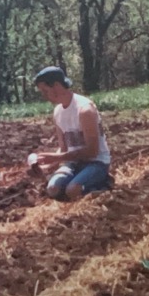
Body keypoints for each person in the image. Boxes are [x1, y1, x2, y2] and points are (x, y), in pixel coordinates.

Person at [30, 66, 113, 201]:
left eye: (45, 91)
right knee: (53, 189)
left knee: (72, 190)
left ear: (56, 86)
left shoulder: (84, 110)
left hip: (96, 162)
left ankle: (104, 183)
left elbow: (92, 151)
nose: (44, 96)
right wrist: (45, 166)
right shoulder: (58, 112)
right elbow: (64, 148)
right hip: (74, 163)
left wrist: (56, 158)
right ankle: (81, 181)